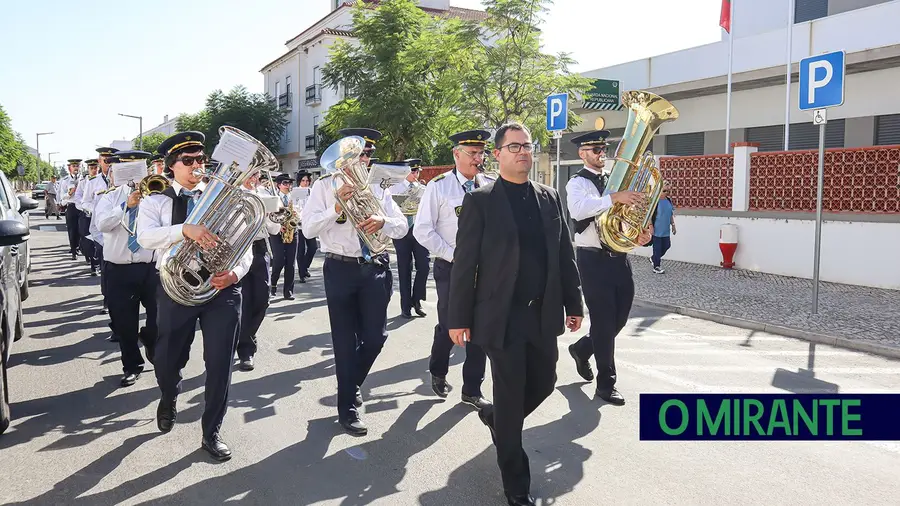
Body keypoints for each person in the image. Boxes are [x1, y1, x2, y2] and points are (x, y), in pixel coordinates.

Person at [447, 122, 584, 506]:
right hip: (500, 316)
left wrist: (575, 304)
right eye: (514, 147)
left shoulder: (550, 197)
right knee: (509, 394)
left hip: (543, 314)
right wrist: (457, 318)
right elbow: (464, 263)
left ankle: (497, 420)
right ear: (498, 154)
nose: (523, 152)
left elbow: (564, 254)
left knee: (544, 382)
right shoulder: (482, 201)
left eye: (527, 146)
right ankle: (516, 482)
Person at [136, 131, 252, 461]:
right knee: (168, 358)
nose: (197, 166)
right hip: (175, 288)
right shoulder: (155, 201)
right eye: (188, 161)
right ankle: (169, 395)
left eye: (200, 159)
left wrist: (236, 272)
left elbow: (245, 241)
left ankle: (211, 431)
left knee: (219, 364)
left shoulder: (223, 197)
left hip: (220, 288)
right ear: (172, 167)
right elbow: (144, 238)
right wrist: (184, 230)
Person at [300, 127, 409, 436]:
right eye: (359, 155)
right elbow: (308, 230)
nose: (364, 160)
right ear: (343, 158)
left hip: (374, 267)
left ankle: (350, 384)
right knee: (345, 342)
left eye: (368, 155)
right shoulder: (323, 187)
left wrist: (383, 221)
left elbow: (401, 226)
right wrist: (335, 207)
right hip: (340, 269)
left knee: (376, 338)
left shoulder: (378, 188)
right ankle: (347, 407)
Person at [564, 130, 653, 406]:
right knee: (603, 322)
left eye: (603, 149)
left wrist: (639, 234)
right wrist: (615, 198)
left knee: (619, 319)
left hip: (619, 256)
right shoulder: (576, 183)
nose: (601, 154)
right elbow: (579, 210)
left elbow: (623, 219)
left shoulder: (615, 181)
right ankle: (606, 384)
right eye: (595, 150)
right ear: (582, 154)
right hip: (592, 260)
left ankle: (582, 348)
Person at [413, 130, 494, 409]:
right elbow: (423, 231)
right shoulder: (439, 186)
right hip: (452, 268)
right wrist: (454, 256)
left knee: (481, 328)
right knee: (450, 324)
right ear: (456, 154)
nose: (478, 158)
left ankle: (472, 389)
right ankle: (437, 369)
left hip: (485, 271)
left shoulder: (492, 184)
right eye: (472, 153)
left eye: (481, 152)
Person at [93, 150, 158, 387]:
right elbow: (103, 225)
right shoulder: (108, 197)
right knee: (124, 323)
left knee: (159, 317)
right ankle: (132, 366)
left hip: (151, 268)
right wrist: (126, 206)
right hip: (119, 269)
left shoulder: (157, 194)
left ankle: (150, 339)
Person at [235, 171, 282, 371]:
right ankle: (245, 349)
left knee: (263, 299)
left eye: (256, 174)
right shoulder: (233, 194)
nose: (253, 178)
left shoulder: (266, 194)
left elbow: (275, 230)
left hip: (260, 248)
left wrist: (273, 216)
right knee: (244, 301)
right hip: (238, 249)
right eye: (250, 173)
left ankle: (246, 336)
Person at [390, 159, 430, 319]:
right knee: (404, 269)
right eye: (412, 171)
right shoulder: (394, 188)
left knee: (425, 266)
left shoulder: (424, 189)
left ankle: (417, 300)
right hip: (402, 232)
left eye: (417, 171)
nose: (415, 174)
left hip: (419, 232)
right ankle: (405, 305)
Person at [269, 174, 299, 300]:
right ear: (279, 185)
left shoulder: (294, 197)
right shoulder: (273, 198)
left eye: (289, 183)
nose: (288, 186)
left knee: (290, 263)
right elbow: (269, 216)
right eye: (285, 183)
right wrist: (277, 226)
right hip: (278, 233)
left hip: (292, 231)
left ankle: (288, 291)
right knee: (279, 260)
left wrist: (298, 215)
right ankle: (273, 283)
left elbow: (302, 211)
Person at [294, 171, 317, 283]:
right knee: (301, 250)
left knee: (313, 247)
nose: (305, 182)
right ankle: (302, 274)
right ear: (299, 181)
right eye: (303, 180)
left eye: (307, 180)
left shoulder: (312, 191)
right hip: (299, 224)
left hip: (310, 223)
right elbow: (294, 206)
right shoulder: (295, 191)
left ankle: (305, 267)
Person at [58, 159, 83, 259]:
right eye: (74, 166)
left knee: (83, 229)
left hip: (82, 207)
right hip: (71, 206)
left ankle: (83, 248)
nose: (76, 168)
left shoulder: (85, 179)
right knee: (72, 230)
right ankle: (74, 251)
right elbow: (62, 197)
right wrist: (69, 194)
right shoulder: (65, 181)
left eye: (78, 166)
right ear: (70, 168)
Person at [650, 183, 676, 273]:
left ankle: (653, 258)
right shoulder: (655, 201)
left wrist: (673, 225)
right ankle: (656, 266)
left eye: (668, 191)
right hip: (657, 229)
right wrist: (650, 226)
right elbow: (649, 215)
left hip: (665, 229)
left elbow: (670, 214)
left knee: (667, 245)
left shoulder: (668, 200)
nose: (666, 193)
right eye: (664, 191)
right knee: (657, 248)